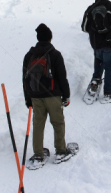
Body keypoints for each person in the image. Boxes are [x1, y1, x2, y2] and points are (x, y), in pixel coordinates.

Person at [22, 24, 73, 165]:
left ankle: (38, 154)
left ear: (38, 39)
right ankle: (61, 151)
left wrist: (28, 99)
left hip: (35, 96)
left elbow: (25, 80)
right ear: (50, 38)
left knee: (38, 124)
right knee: (57, 123)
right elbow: (62, 77)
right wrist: (66, 95)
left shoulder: (29, 56)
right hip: (53, 96)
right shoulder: (55, 54)